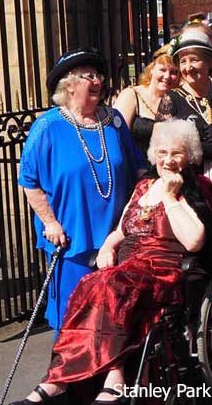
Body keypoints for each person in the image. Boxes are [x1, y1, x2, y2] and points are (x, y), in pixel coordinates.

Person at [10, 119, 212, 405]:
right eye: (162, 152)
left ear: (189, 155)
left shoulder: (194, 190)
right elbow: (121, 229)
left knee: (111, 286)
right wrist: (107, 245)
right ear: (153, 154)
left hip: (163, 271)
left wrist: (170, 196)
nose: (168, 160)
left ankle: (110, 378)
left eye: (176, 153)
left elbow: (194, 241)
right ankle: (60, 380)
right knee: (89, 284)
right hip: (129, 267)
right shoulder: (143, 187)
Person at [18, 48, 145, 333]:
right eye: (89, 76)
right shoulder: (48, 126)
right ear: (69, 84)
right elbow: (29, 181)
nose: (98, 80)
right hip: (72, 239)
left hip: (117, 236)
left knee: (115, 316)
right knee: (74, 317)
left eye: (98, 75)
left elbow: (138, 167)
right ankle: (70, 375)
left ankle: (110, 373)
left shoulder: (113, 121)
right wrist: (50, 222)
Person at [158, 30, 212, 191]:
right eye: (183, 61)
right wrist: (199, 147)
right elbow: (162, 145)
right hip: (189, 187)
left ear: (210, 62)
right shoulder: (171, 98)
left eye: (194, 60)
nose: (188, 67)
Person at [114, 51, 180, 154]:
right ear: (151, 70)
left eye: (173, 72)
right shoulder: (131, 95)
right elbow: (117, 137)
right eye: (162, 70)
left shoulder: (177, 100)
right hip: (135, 166)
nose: (167, 76)